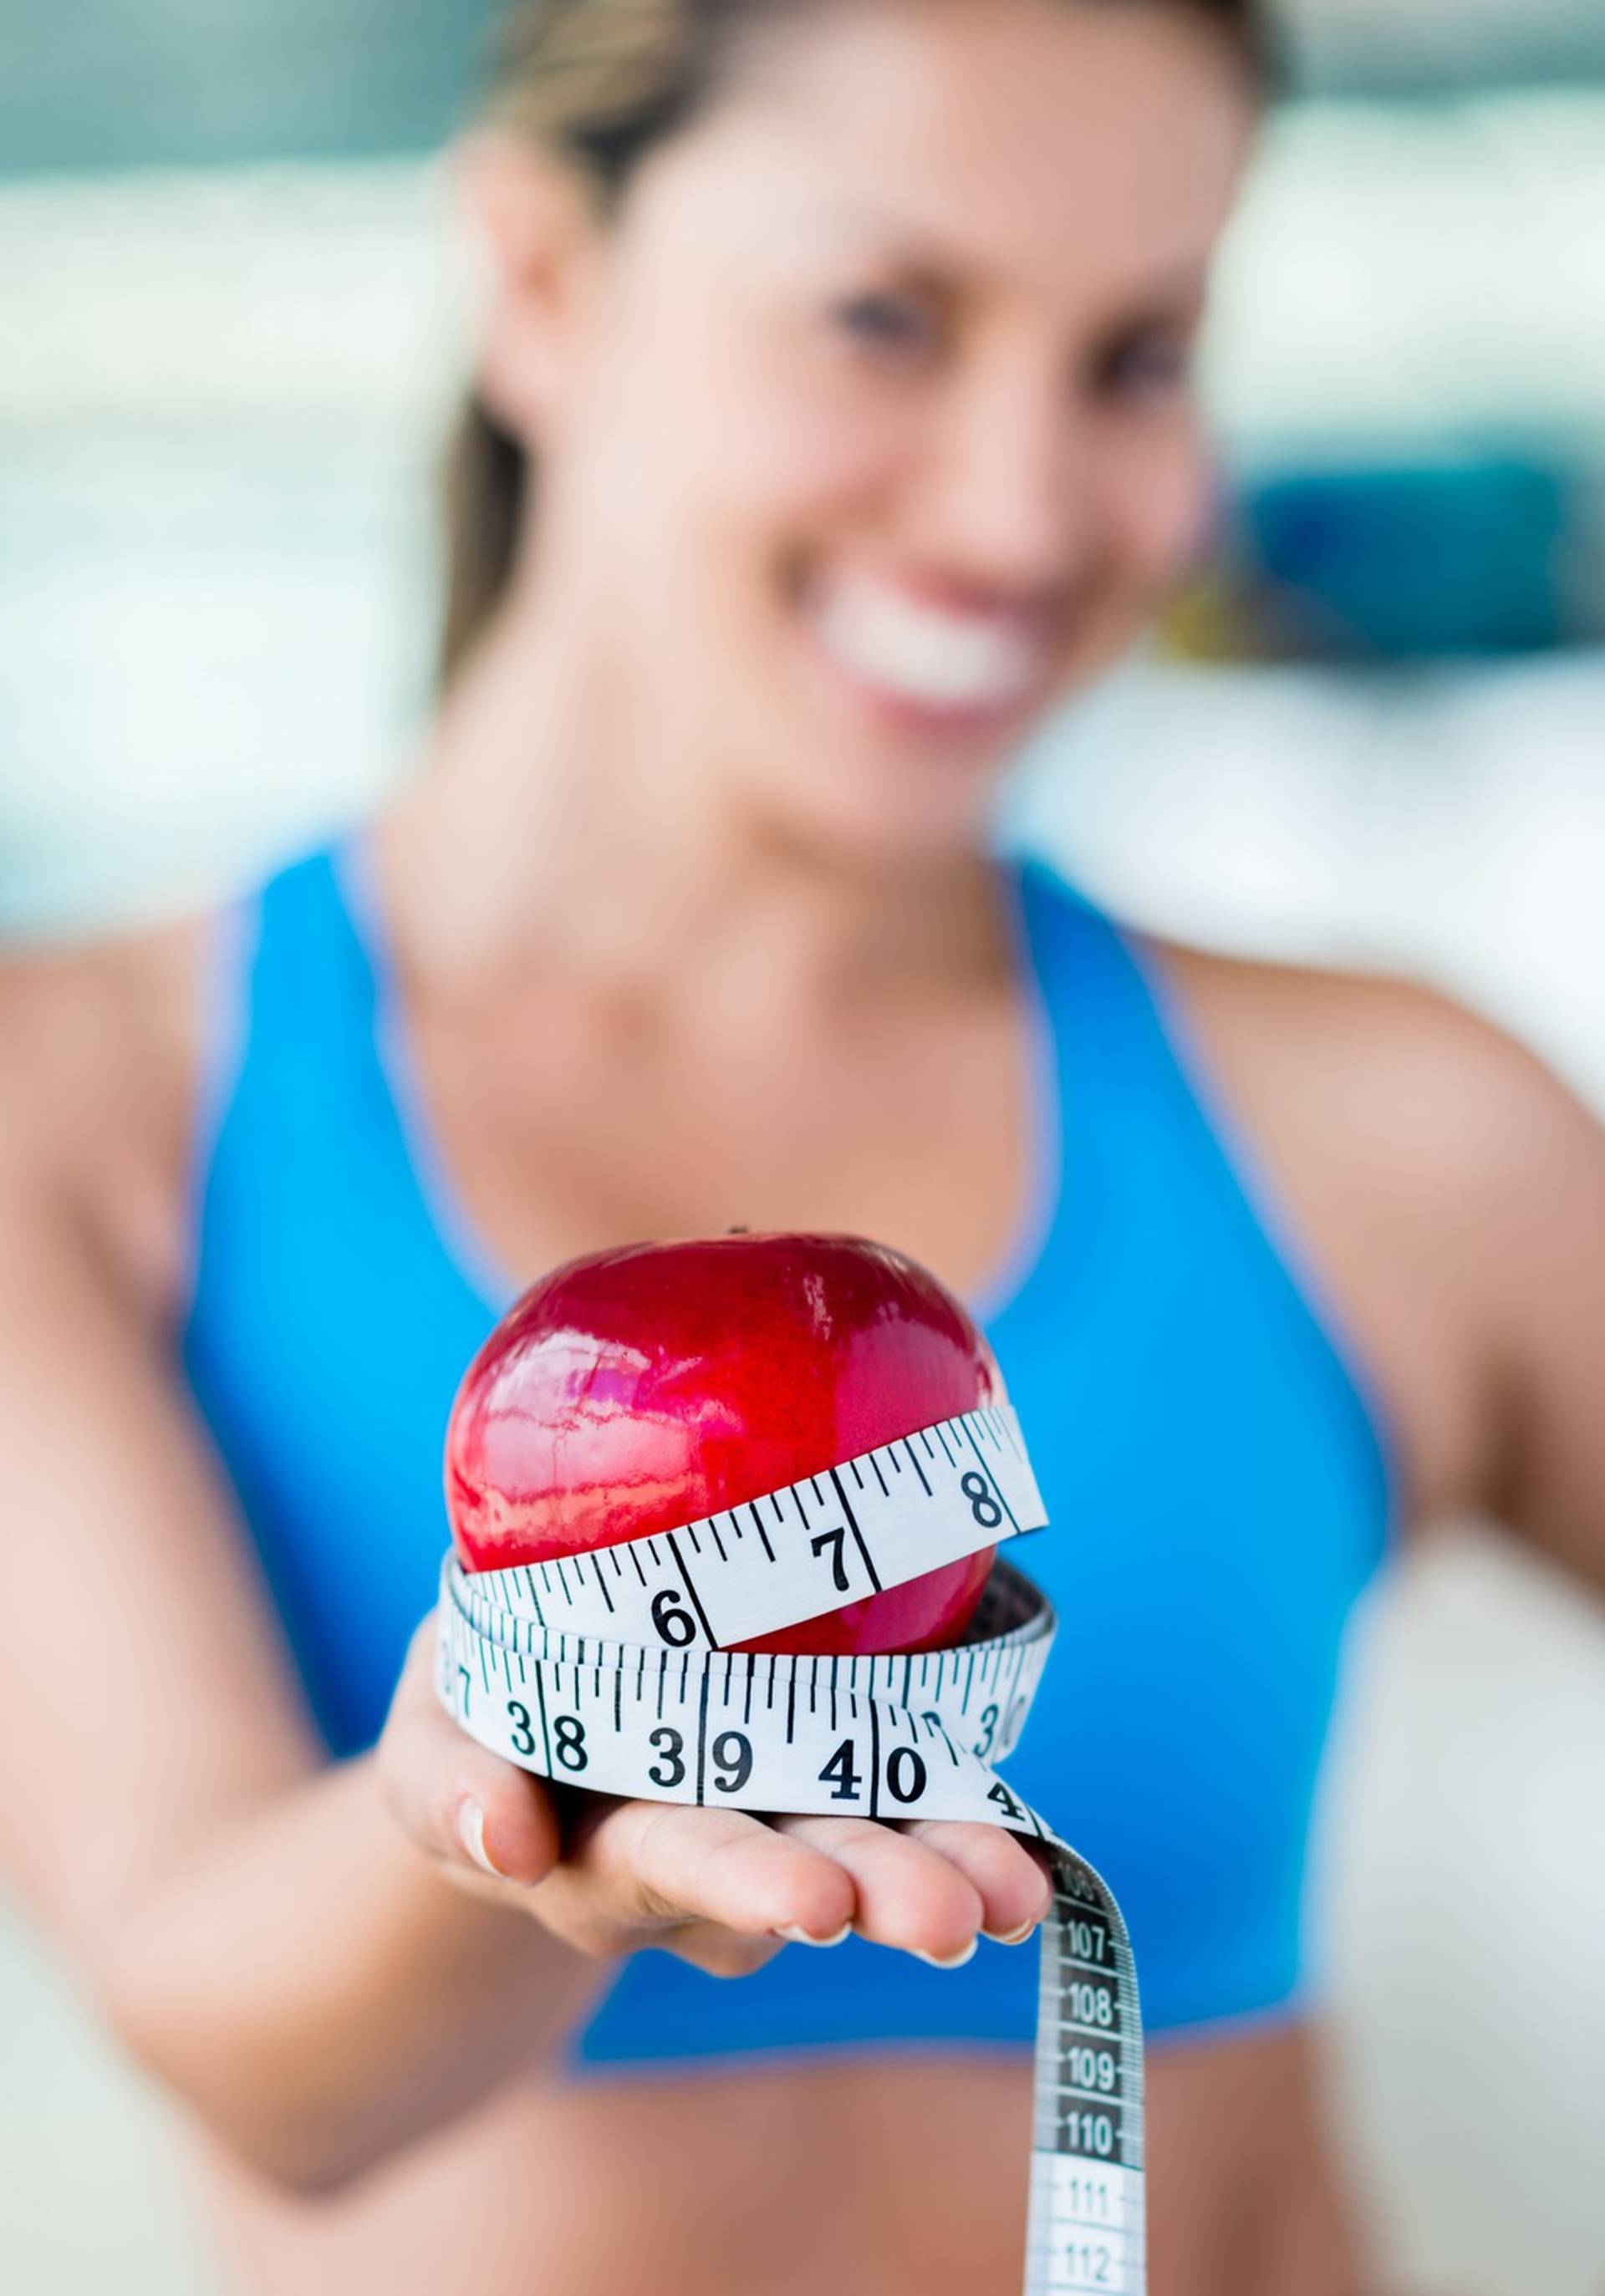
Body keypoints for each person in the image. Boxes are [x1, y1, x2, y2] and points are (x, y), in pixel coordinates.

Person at [2, 2, 1602, 2292]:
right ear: (545, 281)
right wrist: (497, 1820)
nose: (1023, 502)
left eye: (1138, 355)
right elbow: (256, 2054)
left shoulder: (1399, 1123)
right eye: (886, 315)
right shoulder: (72, 1109)